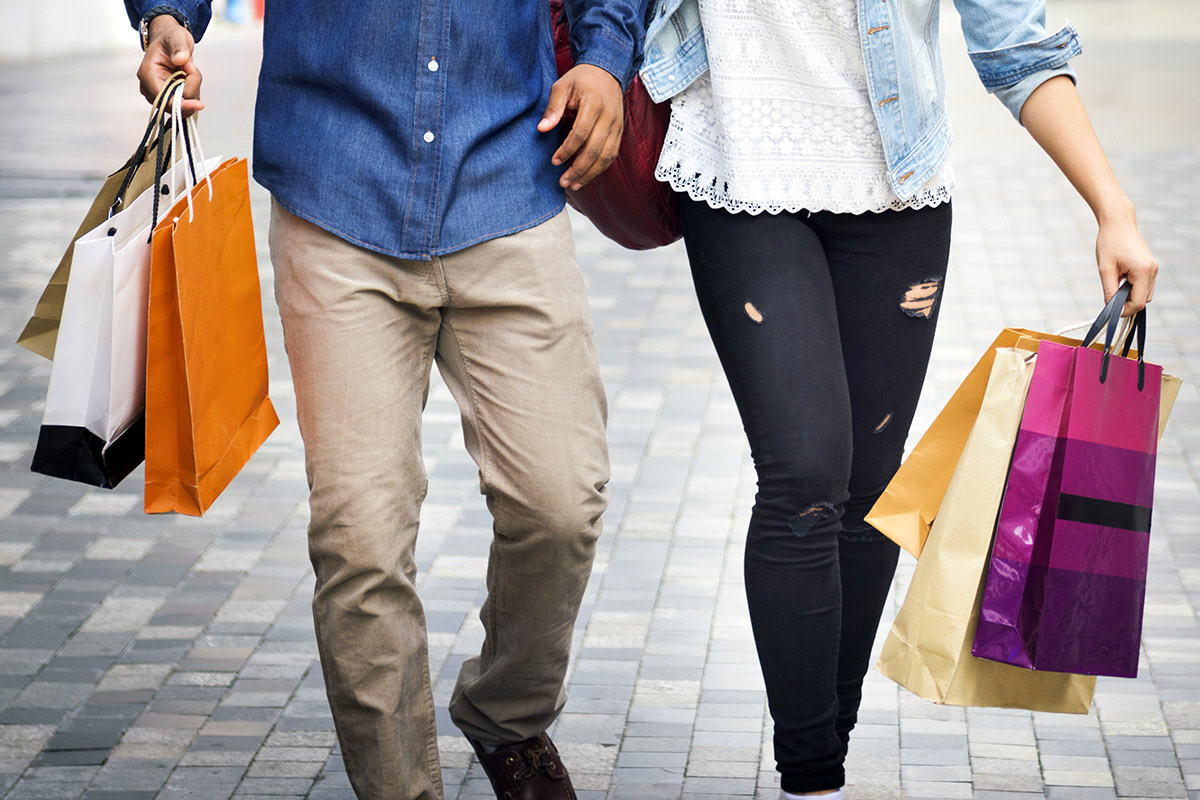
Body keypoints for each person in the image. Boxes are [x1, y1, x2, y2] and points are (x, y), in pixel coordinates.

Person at [126, 2, 645, 799]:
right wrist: (167, 14)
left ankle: (507, 713)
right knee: (358, 539)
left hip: (507, 173)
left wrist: (607, 56)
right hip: (336, 180)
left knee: (561, 501)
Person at [639, 0, 1158, 797]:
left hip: (896, 191)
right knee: (805, 473)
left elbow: (1015, 43)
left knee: (868, 484)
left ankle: (826, 760)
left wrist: (1111, 208)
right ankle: (809, 772)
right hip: (738, 171)